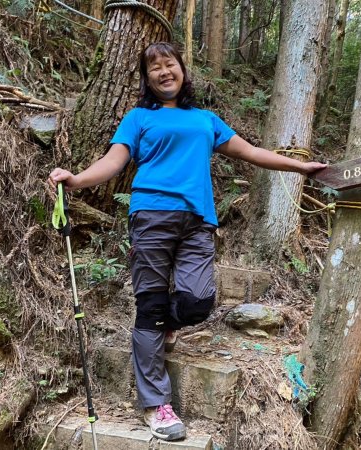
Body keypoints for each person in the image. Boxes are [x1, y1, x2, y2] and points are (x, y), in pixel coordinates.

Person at [48, 41, 327, 442]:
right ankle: (156, 406)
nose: (164, 72)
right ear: (147, 79)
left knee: (198, 300)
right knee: (150, 306)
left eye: (170, 64)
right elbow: (114, 161)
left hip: (198, 221)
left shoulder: (207, 120)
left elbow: (251, 153)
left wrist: (300, 166)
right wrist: (75, 179)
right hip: (151, 215)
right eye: (155, 68)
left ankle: (168, 326)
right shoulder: (138, 117)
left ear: (182, 69)